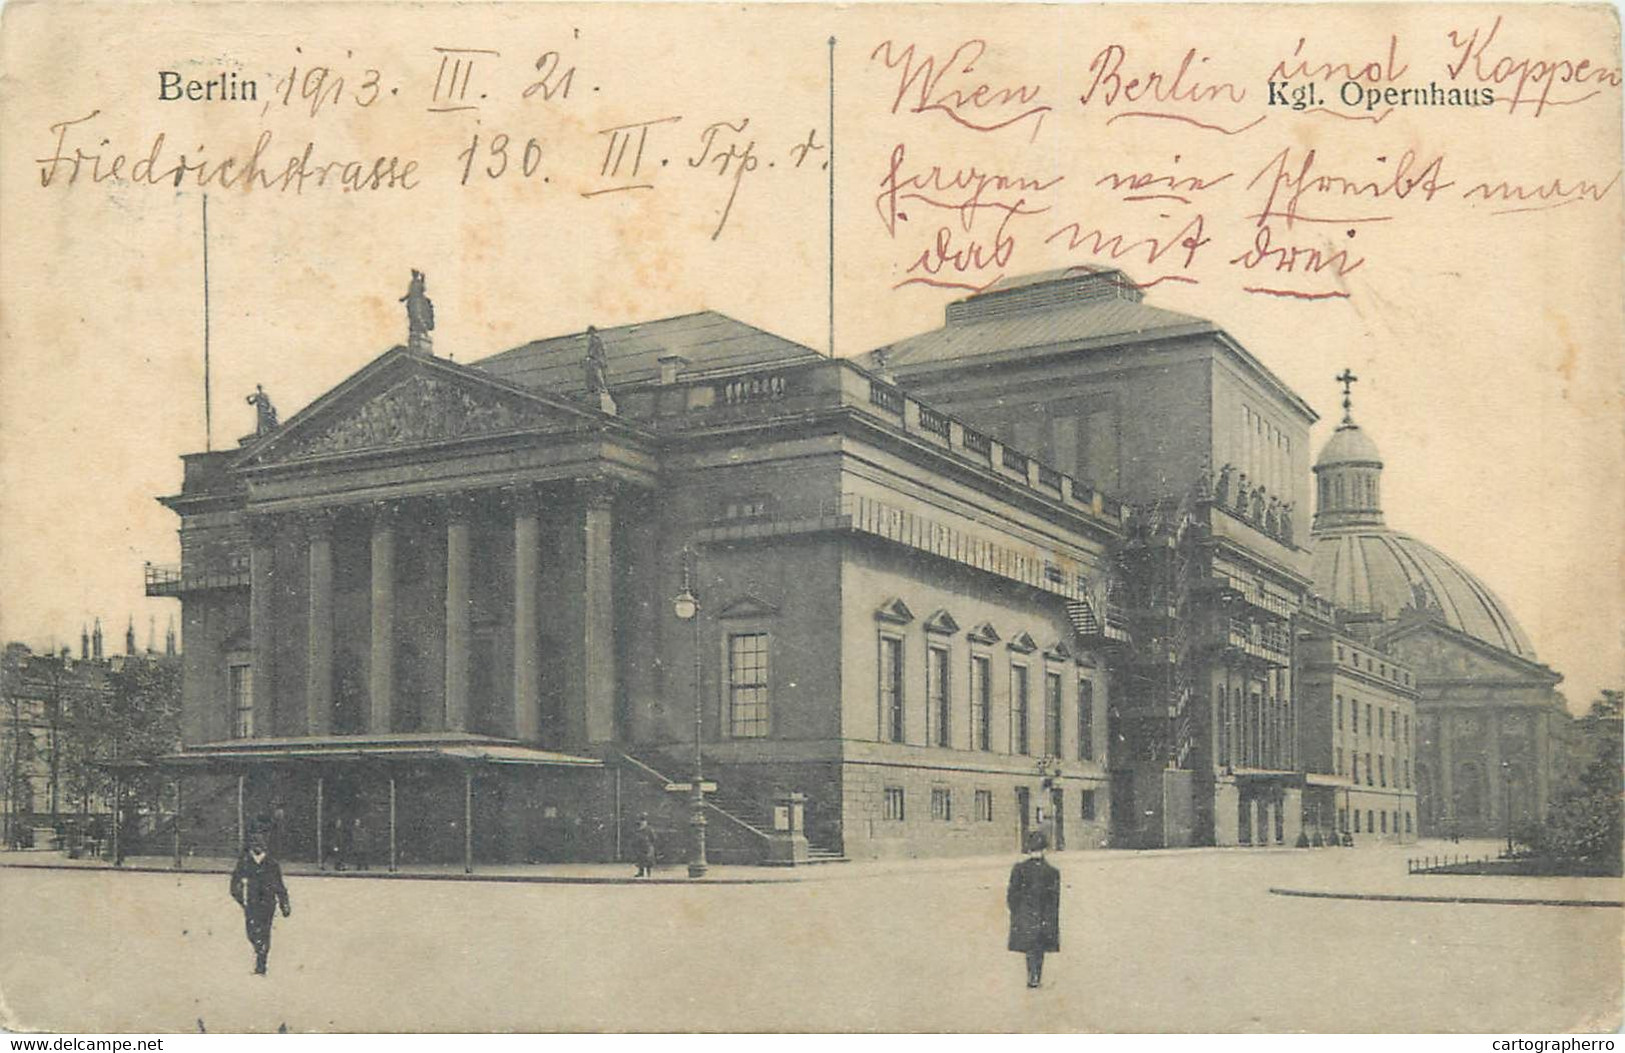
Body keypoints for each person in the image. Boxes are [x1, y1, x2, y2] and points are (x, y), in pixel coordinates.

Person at [230, 831, 291, 976]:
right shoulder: (245, 862)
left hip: (268, 903)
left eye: (260, 844)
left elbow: (279, 885)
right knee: (251, 932)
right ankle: (259, 949)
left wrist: (284, 904)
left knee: (264, 931)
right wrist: (240, 899)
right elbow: (235, 883)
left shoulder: (271, 863)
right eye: (254, 844)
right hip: (251, 903)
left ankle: (261, 962)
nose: (257, 847)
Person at [1007, 830, 1060, 989]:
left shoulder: (1019, 869)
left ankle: (1032, 976)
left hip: (1025, 914)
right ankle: (1036, 975)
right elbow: (1054, 899)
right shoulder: (1052, 871)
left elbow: (1011, 895)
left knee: (1030, 947)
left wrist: (1016, 912)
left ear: (1029, 850)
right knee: (1039, 947)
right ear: (1044, 850)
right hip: (1044, 915)